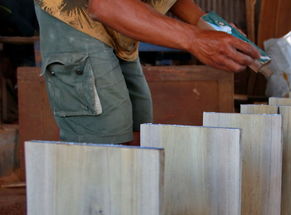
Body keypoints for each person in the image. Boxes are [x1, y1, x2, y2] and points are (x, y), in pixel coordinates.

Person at [34, 0, 260, 144]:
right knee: (103, 143)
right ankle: (98, 214)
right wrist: (195, 39)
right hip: (75, 20)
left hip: (119, 24)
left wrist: (212, 27)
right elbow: (105, 5)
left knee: (139, 129)